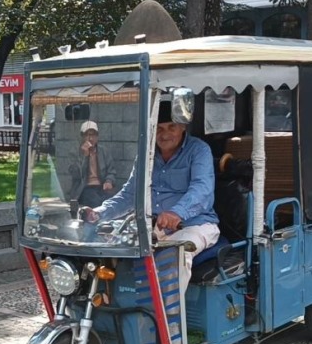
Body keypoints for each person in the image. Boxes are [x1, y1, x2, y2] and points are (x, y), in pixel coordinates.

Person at [82, 101, 220, 290]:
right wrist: (99, 212)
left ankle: (169, 318)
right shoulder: (146, 155)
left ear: (183, 126)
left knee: (173, 256)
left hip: (195, 224)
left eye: (171, 127)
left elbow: (201, 190)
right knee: (103, 247)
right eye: (159, 128)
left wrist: (176, 213)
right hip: (152, 227)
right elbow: (130, 194)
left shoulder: (198, 150)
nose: (164, 134)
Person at [69, 120, 117, 208]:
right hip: (85, 188)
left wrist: (109, 181)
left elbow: (111, 171)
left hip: (101, 186)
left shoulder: (104, 151)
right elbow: (76, 174)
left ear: (97, 136)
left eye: (93, 135)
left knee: (113, 203)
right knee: (96, 202)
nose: (90, 138)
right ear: (82, 137)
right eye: (87, 135)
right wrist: (85, 156)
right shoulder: (75, 152)